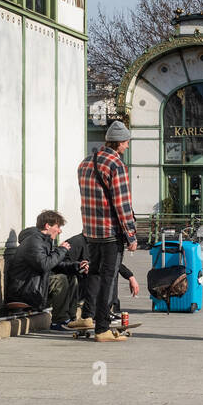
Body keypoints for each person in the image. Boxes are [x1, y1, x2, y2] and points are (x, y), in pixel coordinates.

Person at [77, 122, 138, 342]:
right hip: (110, 232)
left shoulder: (85, 163)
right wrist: (131, 235)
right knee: (108, 279)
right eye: (126, 142)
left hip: (91, 230)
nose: (128, 146)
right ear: (120, 142)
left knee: (93, 273)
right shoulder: (116, 164)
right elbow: (122, 204)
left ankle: (87, 315)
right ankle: (102, 328)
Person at [6, 210, 77, 330]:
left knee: (71, 277)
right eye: (57, 227)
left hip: (34, 285)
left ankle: (71, 318)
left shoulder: (43, 241)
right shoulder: (34, 242)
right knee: (60, 280)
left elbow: (54, 264)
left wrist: (76, 266)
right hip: (24, 290)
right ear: (47, 226)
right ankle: (59, 321)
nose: (60, 231)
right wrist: (61, 250)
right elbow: (44, 265)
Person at [62, 232, 140, 329]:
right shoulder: (76, 242)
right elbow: (61, 263)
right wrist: (78, 266)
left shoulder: (98, 242)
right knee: (99, 274)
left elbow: (114, 264)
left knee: (106, 271)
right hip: (80, 284)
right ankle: (93, 317)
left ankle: (94, 315)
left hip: (91, 286)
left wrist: (130, 276)